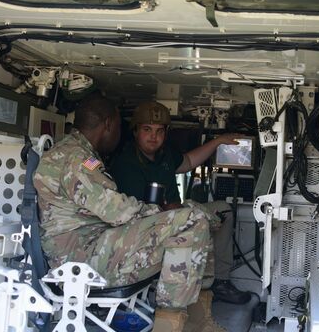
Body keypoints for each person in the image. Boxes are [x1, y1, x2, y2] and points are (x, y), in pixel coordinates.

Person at [33, 94, 216, 332]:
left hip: (85, 249)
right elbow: (117, 211)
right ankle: (169, 324)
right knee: (191, 221)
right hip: (83, 259)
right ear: (108, 124)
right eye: (119, 126)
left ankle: (192, 318)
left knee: (193, 218)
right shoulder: (77, 159)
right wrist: (161, 211)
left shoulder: (73, 152)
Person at [109, 101, 252, 307]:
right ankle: (172, 292)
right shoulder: (126, 163)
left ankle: (220, 281)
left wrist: (219, 141)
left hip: (179, 214)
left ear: (166, 133)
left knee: (224, 211)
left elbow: (188, 162)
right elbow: (132, 214)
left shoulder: (165, 154)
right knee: (193, 220)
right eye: (147, 130)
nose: (153, 136)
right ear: (135, 132)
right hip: (150, 229)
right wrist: (171, 212)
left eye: (159, 131)